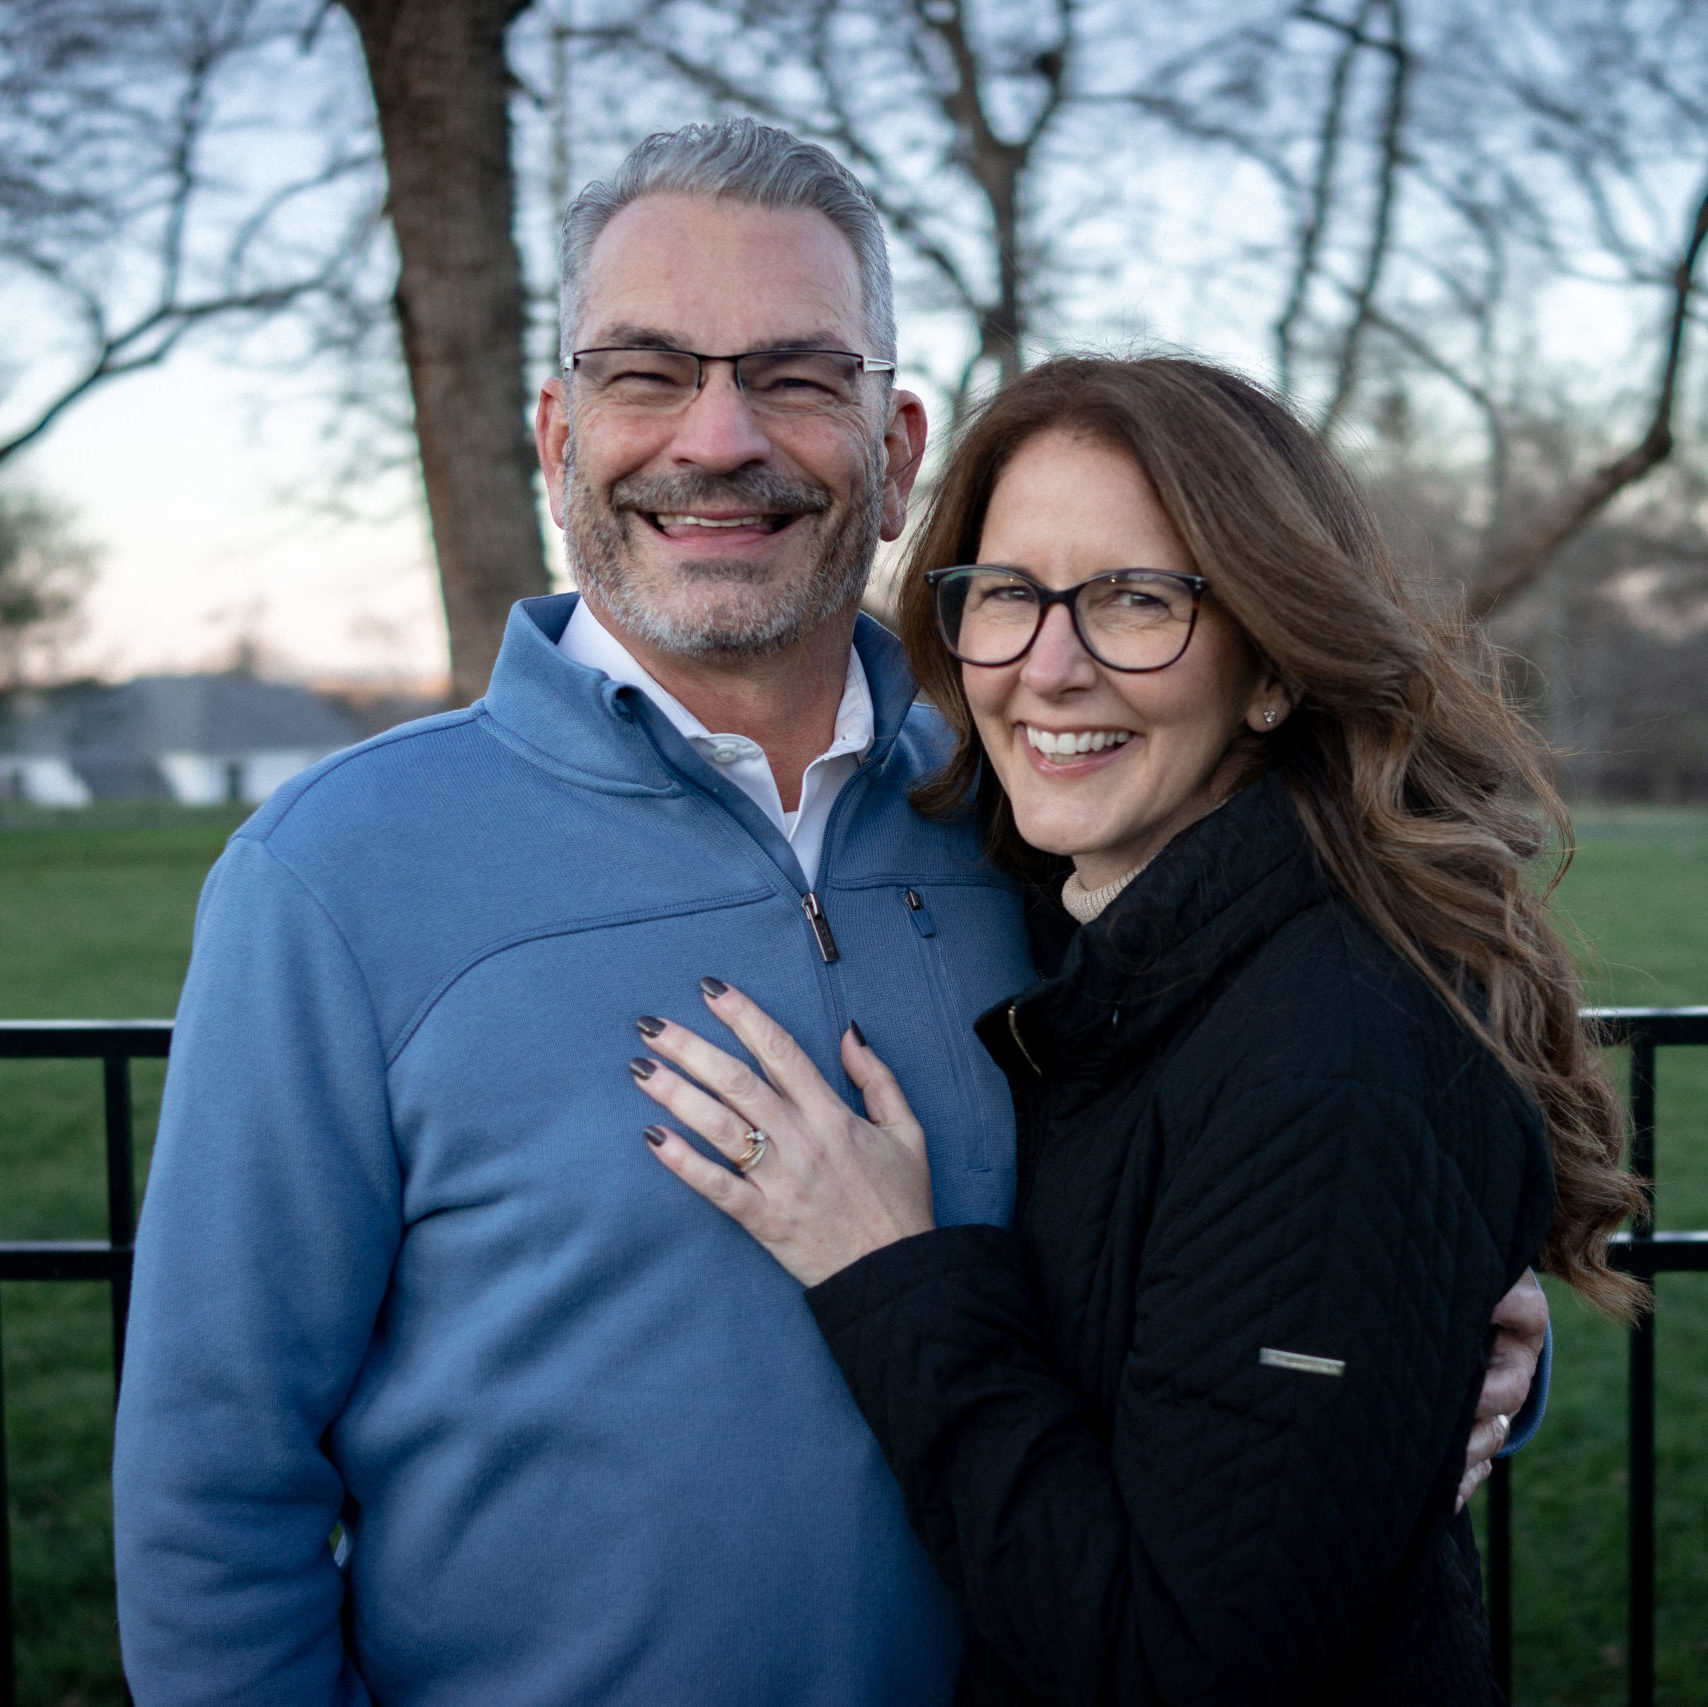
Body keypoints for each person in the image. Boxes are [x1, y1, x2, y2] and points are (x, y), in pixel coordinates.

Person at [111, 121, 1543, 1704]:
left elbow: (1235, 1236)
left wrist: (1434, 1336)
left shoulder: (1039, 818)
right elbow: (212, 1478)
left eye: (796, 376)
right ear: (556, 429)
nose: (719, 439)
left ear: (898, 447)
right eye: (647, 373)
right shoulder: (334, 872)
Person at [626, 356, 1639, 1703]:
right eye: (1008, 596)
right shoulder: (1091, 927)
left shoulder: (1329, 1053)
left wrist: (886, 1270)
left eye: (1136, 599)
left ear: (1273, 669)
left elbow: (1172, 1667)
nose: (1049, 667)